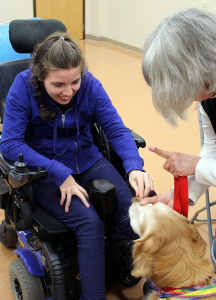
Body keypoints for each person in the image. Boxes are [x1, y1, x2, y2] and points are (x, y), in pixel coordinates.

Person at [0, 31, 154, 300]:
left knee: (136, 214)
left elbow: (117, 131)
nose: (69, 91)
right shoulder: (22, 86)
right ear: (40, 78)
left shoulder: (90, 85)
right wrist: (59, 172)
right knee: (89, 224)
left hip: (87, 159)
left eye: (75, 82)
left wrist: (134, 166)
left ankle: (159, 277)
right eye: (58, 84)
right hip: (44, 170)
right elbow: (10, 144)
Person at [139, 7, 216, 208]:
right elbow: (213, 149)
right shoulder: (208, 97)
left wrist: (196, 166)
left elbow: (204, 165)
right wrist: (181, 193)